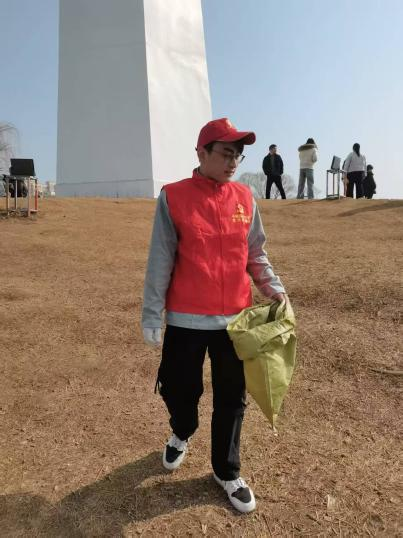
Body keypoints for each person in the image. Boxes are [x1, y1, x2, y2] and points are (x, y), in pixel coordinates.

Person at [142, 118, 289, 514]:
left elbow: (255, 253)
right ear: (202, 153)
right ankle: (181, 431)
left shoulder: (245, 197)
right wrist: (152, 314)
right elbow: (160, 259)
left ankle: (227, 471)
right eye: (226, 153)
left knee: (231, 398)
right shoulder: (173, 197)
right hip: (186, 321)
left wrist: (273, 287)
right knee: (179, 391)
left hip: (235, 323)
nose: (233, 161)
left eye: (238, 155)